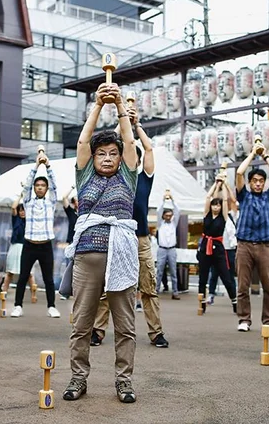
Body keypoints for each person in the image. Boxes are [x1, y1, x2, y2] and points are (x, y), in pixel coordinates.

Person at [62, 83, 139, 403]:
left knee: (125, 325)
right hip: (87, 255)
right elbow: (82, 140)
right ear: (92, 157)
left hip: (121, 254)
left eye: (113, 153)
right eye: (101, 153)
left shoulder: (128, 176)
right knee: (81, 323)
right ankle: (78, 378)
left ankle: (124, 382)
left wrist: (119, 104)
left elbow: (131, 140)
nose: (107, 158)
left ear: (121, 159)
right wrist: (96, 105)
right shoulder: (84, 177)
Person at [92, 111, 169, 349]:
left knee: (148, 287)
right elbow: (109, 145)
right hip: (116, 238)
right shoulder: (115, 177)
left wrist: (136, 126)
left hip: (141, 239)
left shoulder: (144, 178)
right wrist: (121, 124)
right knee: (108, 287)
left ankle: (156, 333)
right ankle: (97, 330)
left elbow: (149, 150)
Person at [234, 140, 269, 332]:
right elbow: (239, 173)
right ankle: (244, 319)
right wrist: (252, 154)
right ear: (250, 183)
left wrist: (265, 155)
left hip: (265, 245)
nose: (258, 183)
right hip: (243, 245)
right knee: (243, 286)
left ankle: (268, 321)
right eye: (255, 181)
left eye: (261, 181)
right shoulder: (244, 196)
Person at [11, 153, 60, 318]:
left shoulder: (51, 202)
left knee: (48, 279)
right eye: (37, 185)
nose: (39, 187)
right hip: (29, 244)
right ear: (34, 188)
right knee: (23, 276)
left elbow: (55, 186)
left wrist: (48, 166)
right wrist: (35, 166)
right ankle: (17, 306)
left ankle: (51, 306)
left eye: (42, 185)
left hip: (46, 245)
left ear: (45, 189)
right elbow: (26, 187)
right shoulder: (28, 202)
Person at [196, 176, 237, 313]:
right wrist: (216, 184)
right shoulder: (206, 214)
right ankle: (202, 304)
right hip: (205, 247)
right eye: (214, 204)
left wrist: (224, 185)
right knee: (203, 277)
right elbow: (208, 197)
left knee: (226, 276)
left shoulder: (223, 217)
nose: (216, 207)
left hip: (218, 248)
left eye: (218, 205)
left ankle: (234, 302)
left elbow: (226, 200)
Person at [0, 197, 34, 295]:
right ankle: (4, 291)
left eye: (24, 210)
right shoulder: (16, 219)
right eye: (21, 211)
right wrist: (20, 196)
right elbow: (13, 207)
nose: (22, 212)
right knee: (10, 272)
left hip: (26, 246)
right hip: (15, 246)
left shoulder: (30, 221)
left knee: (29, 273)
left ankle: (33, 294)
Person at [155, 190, 181, 300]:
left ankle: (175, 292)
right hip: (162, 249)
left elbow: (178, 211)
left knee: (173, 272)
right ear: (164, 216)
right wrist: (163, 200)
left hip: (171, 249)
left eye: (170, 215)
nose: (169, 217)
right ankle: (156, 291)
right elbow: (158, 211)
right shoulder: (160, 224)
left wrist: (172, 199)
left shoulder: (173, 224)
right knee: (159, 271)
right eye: (167, 215)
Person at [57, 190, 78, 298]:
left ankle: (77, 291)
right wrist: (72, 188)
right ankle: (66, 292)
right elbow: (64, 198)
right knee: (69, 267)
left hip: (83, 243)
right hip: (72, 243)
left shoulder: (86, 214)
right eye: (77, 200)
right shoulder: (72, 213)